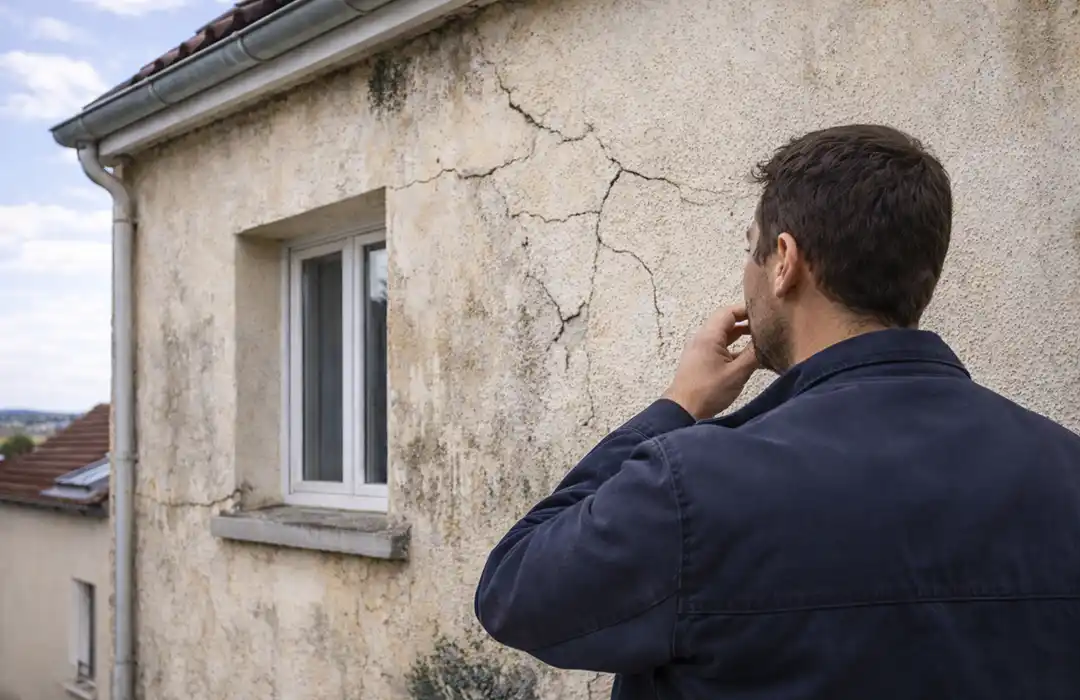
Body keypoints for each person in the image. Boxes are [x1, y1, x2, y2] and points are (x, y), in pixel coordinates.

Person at [474, 124, 1080, 698]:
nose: (748, 275)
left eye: (751, 251)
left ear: (784, 261)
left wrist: (677, 405)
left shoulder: (697, 486)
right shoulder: (1064, 467)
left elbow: (515, 590)